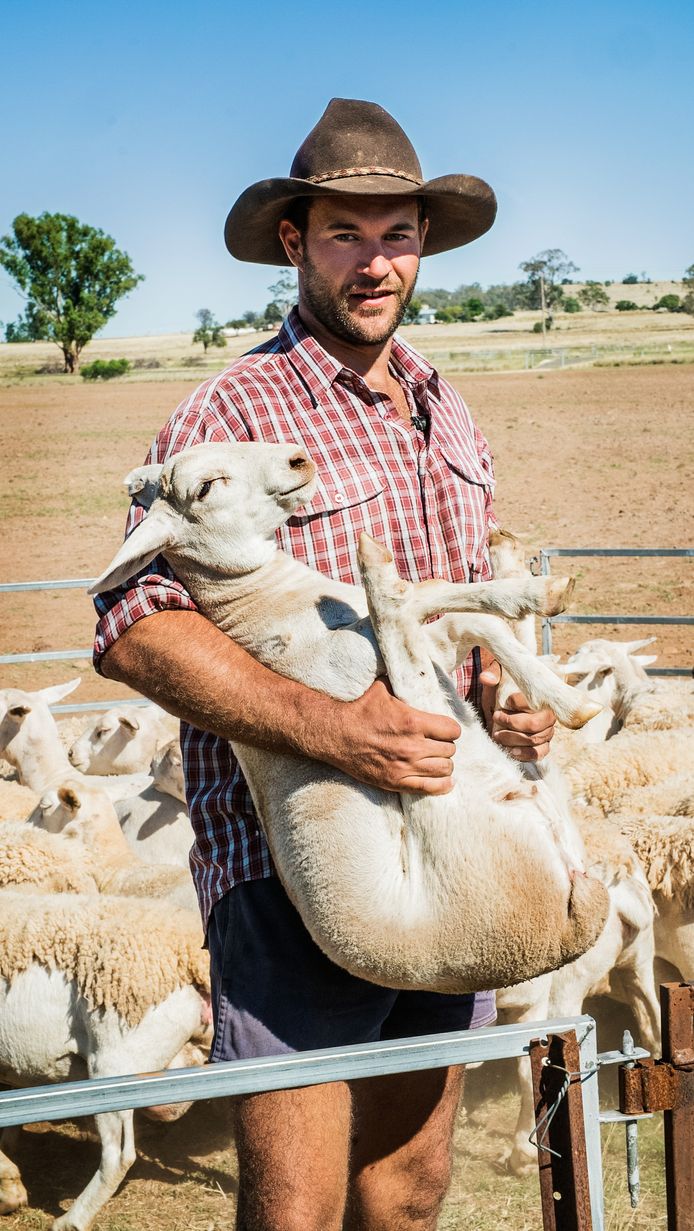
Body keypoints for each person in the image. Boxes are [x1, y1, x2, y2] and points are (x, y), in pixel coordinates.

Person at [94, 98, 556, 1231]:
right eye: (344, 233)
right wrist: (328, 728)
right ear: (294, 242)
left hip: (445, 849)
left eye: (394, 233)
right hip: (292, 866)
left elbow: (440, 623)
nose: (374, 261)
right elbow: (131, 620)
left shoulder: (446, 412)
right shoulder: (234, 412)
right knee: (295, 1207)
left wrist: (500, 698)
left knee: (406, 1190)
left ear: (422, 244)